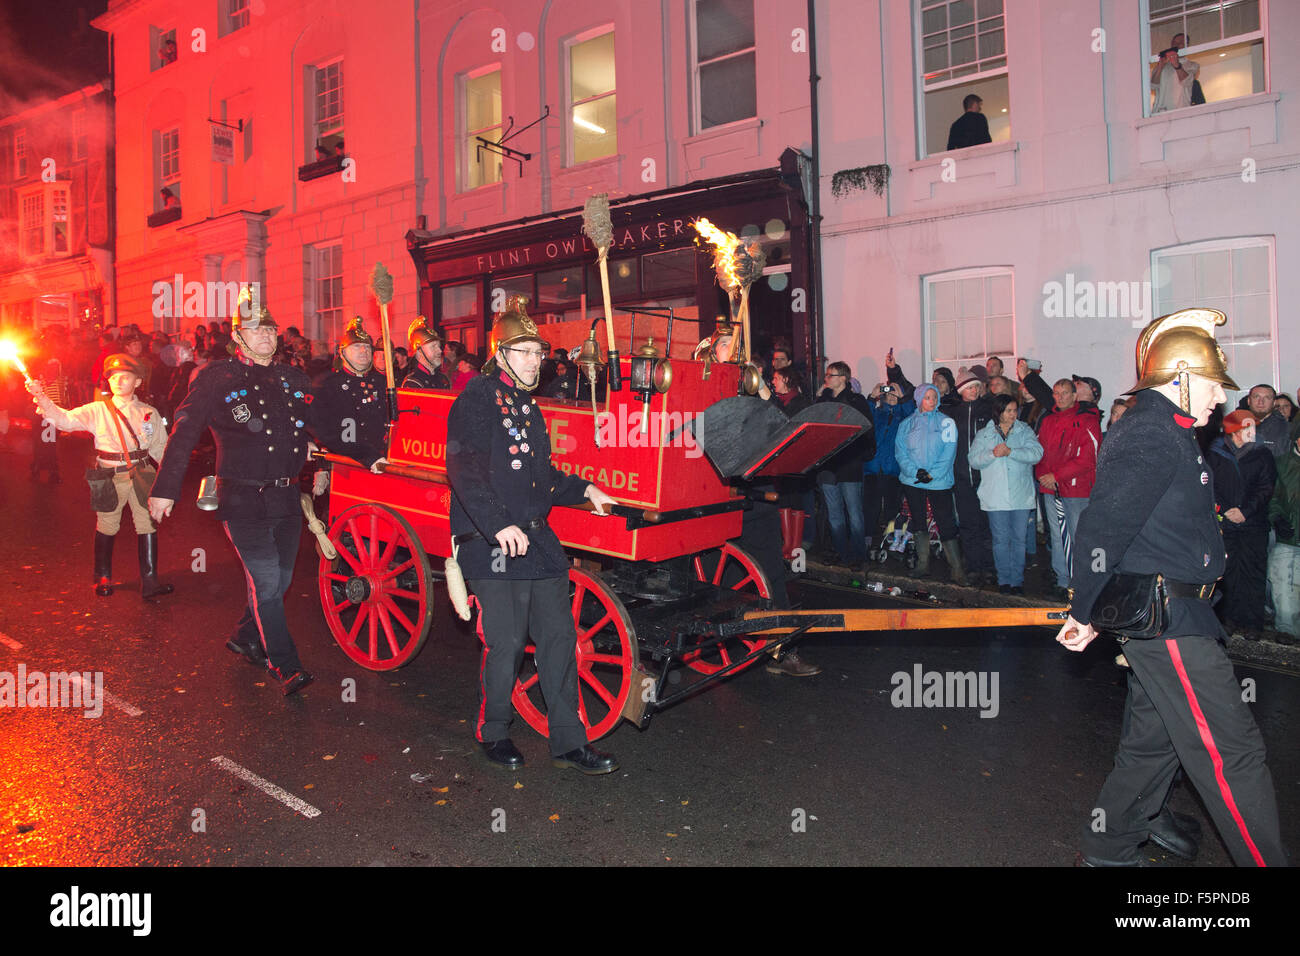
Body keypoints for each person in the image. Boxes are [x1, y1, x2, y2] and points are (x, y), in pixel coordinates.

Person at [1057, 307, 1287, 868]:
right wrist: (1083, 611)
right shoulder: (1150, 432)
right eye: (1213, 387)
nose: (1221, 401)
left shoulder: (1171, 429)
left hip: (1180, 614)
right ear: (1180, 378)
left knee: (1152, 746)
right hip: (1168, 622)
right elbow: (1103, 527)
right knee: (1232, 753)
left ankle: (1108, 848)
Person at [148, 301, 383, 696]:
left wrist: (368, 455)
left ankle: (245, 637)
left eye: (271, 330)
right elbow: (185, 430)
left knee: (280, 581)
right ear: (238, 337)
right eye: (256, 330)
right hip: (241, 499)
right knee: (269, 580)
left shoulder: (293, 378)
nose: (266, 337)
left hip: (286, 498)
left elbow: (325, 426)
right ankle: (285, 664)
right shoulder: (216, 377)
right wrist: (165, 489)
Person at [446, 295, 620, 772]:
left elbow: (541, 475)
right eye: (523, 352)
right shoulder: (478, 397)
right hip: (489, 542)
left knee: (560, 638)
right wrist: (498, 524)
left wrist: (585, 488)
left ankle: (568, 741)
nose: (533, 361)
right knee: (506, 641)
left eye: (538, 352)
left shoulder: (527, 404)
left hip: (536, 540)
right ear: (500, 353)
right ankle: (494, 729)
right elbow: (464, 471)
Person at [27, 353, 174, 600]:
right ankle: (102, 577)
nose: (118, 381)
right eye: (113, 377)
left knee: (147, 524)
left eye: (125, 377)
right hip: (108, 474)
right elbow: (63, 420)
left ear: (138, 382)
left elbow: (161, 447)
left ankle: (150, 581)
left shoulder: (149, 412)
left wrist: (170, 483)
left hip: (141, 473)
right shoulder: (97, 410)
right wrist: (41, 396)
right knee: (107, 525)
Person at [1209, 411, 1277, 633]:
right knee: (1227, 573)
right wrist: (1226, 510)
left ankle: (1252, 623)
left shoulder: (1263, 454)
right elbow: (1209, 485)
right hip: (1225, 525)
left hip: (1253, 525)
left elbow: (1266, 487)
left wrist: (1245, 511)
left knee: (1253, 573)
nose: (1252, 432)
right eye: (1247, 428)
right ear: (1233, 431)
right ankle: (1227, 620)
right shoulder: (1214, 453)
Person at [1035, 378, 1101, 601]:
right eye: (1056, 393)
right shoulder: (1048, 421)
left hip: (1077, 490)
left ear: (1074, 396)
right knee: (1057, 535)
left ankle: (1084, 582)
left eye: (1065, 393)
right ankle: (1063, 579)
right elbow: (1039, 452)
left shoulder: (1087, 421)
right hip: (1050, 489)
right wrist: (1045, 477)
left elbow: (1088, 459)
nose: (1060, 397)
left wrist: (1058, 476)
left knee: (1079, 536)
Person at [969, 393, 1043, 594]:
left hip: (1020, 495)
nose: (1013, 414)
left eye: (1014, 410)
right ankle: (1004, 580)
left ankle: (1017, 580)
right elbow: (973, 459)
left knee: (1019, 539)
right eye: (1008, 410)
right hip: (995, 496)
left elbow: (1037, 454)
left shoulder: (1024, 430)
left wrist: (1012, 452)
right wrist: (992, 454)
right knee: (1001, 539)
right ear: (998, 412)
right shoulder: (985, 434)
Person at [895, 383, 963, 584]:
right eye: (927, 397)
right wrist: (915, 471)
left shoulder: (947, 422)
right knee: (918, 521)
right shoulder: (907, 423)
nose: (932, 401)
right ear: (919, 400)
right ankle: (922, 564)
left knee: (946, 522)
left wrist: (933, 474)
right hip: (913, 480)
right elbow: (901, 452)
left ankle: (957, 569)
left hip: (938, 481)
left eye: (934, 397)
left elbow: (949, 451)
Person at [815, 361, 876, 569]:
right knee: (834, 514)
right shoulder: (823, 401)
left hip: (849, 464)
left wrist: (862, 453)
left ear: (843, 378)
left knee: (854, 513)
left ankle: (860, 556)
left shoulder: (856, 401)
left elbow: (866, 429)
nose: (826, 379)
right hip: (827, 466)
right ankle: (842, 553)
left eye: (830, 375)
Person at [946, 367, 996, 586]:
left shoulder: (989, 409)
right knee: (968, 524)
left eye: (976, 386)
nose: (974, 390)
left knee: (986, 524)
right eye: (969, 387)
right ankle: (974, 566)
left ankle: (989, 567)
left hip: (986, 476)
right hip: (962, 477)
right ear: (960, 391)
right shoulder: (953, 413)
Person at [864, 372, 915, 558]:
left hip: (893, 469)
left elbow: (914, 416)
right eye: (889, 394)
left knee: (892, 507)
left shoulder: (905, 416)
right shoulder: (877, 413)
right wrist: (871, 396)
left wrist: (903, 397)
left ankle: (893, 539)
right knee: (870, 506)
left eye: (895, 394)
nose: (892, 397)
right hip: (872, 468)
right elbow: (863, 418)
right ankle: (868, 540)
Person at [1267, 424, 1300, 642]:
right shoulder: (1281, 464)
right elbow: (1271, 496)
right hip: (1288, 538)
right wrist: (1277, 518)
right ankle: (1287, 631)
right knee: (1284, 585)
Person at [1150, 37, 1200, 113]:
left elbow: (1187, 82)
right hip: (1160, 112)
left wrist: (1177, 65)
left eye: (1180, 42)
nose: (1176, 45)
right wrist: (1160, 67)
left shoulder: (1192, 65)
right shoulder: (1162, 65)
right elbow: (1153, 86)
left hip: (1181, 111)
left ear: (1187, 45)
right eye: (1174, 42)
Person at [1243, 384, 1290, 459]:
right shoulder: (1236, 427)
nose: (1261, 402)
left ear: (1274, 403)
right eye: (1256, 397)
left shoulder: (1285, 429)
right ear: (1249, 401)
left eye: (1267, 398)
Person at [402, 316, 450, 389]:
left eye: (439, 346)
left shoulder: (443, 380)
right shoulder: (413, 383)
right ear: (419, 351)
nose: (440, 351)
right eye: (433, 346)